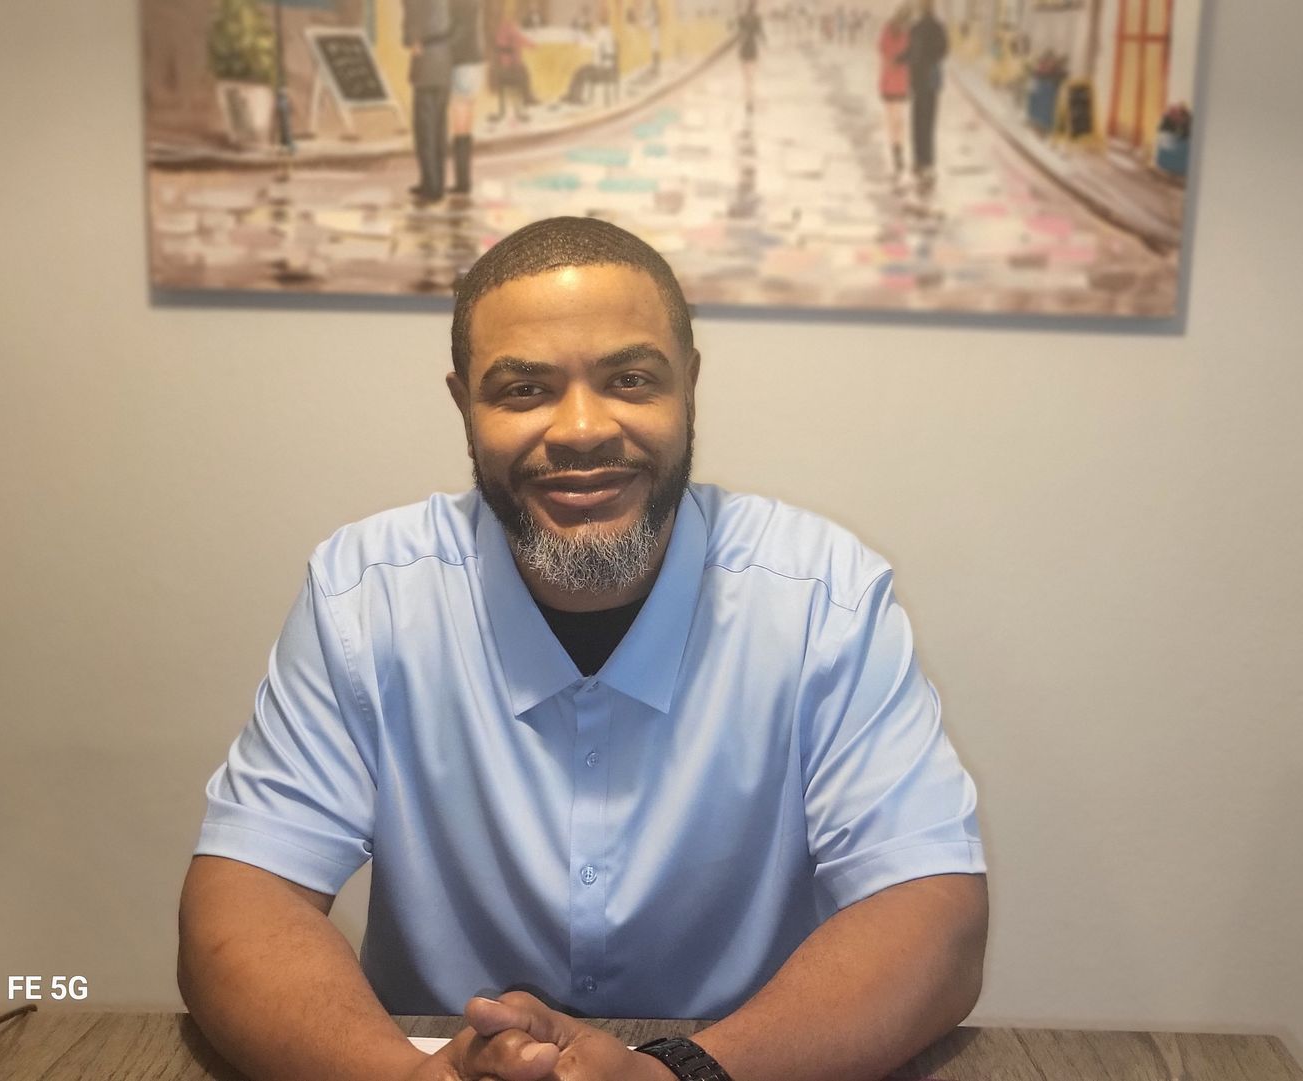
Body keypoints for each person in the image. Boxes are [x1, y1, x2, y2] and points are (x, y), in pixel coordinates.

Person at [178, 216, 987, 1081]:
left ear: (690, 387)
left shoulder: (824, 597)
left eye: (630, 379)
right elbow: (244, 905)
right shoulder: (364, 593)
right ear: (463, 405)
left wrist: (674, 1074)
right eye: (524, 389)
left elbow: (933, 917)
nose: (581, 429)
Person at [405, 0, 456, 205]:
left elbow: (412, 34)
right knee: (439, 128)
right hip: (444, 64)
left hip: (426, 64)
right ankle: (436, 183)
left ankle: (431, 186)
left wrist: (411, 39)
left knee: (425, 129)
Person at [901, 0, 947, 187]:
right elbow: (944, 51)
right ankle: (928, 161)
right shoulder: (938, 27)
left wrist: (899, 60)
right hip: (931, 79)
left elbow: (910, 52)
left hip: (919, 79)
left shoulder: (916, 28)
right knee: (929, 121)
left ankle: (919, 160)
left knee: (918, 120)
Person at [445, 0, 486, 197]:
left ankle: (462, 182)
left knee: (459, 123)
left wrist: (440, 47)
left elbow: (458, 33)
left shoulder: (459, 4)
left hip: (461, 62)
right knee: (465, 121)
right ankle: (464, 180)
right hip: (474, 61)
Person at [877, 4, 911, 177]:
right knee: (898, 119)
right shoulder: (906, 34)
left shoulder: (887, 31)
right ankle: (898, 149)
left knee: (892, 119)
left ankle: (895, 149)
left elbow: (881, 51)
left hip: (890, 81)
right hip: (900, 82)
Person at [736, 0, 765, 105]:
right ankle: (750, 91)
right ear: (755, 7)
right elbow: (760, 33)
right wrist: (765, 43)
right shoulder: (757, 19)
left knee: (745, 72)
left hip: (744, 46)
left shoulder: (742, 18)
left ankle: (747, 91)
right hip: (752, 46)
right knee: (752, 71)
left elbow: (739, 33)